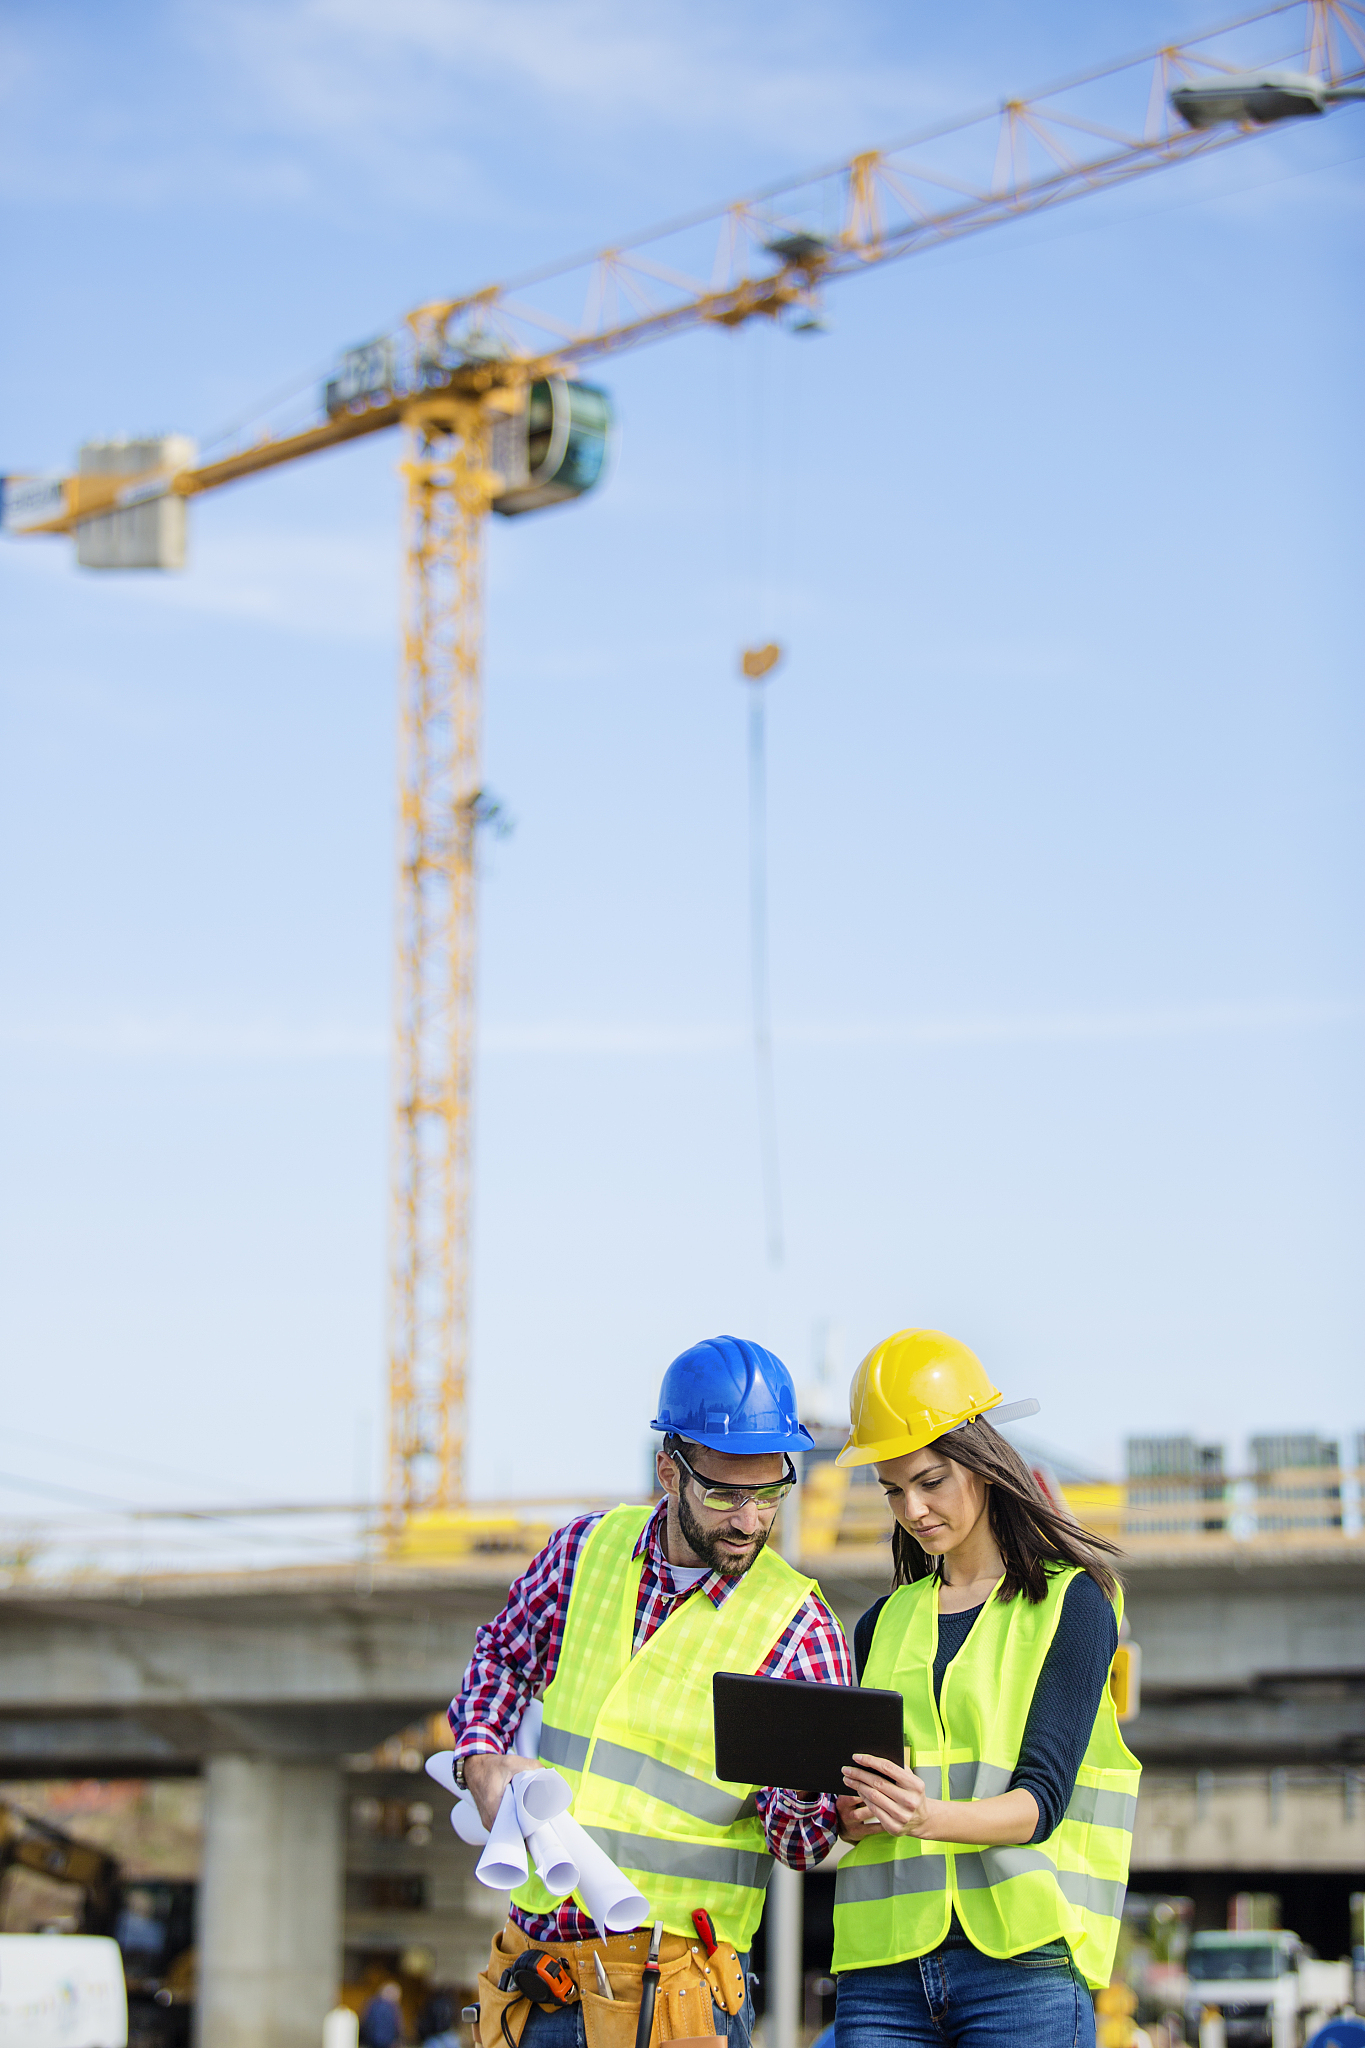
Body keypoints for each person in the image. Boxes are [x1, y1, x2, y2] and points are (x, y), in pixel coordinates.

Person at [449, 1335, 853, 2048]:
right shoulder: (584, 1552)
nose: (750, 1520)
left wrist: (831, 1802)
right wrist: (479, 1755)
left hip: (676, 1995)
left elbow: (797, 1842)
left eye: (769, 1494)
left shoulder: (799, 1628)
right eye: (725, 1493)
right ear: (669, 1471)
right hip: (536, 1973)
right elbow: (501, 1656)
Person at [830, 1329, 1140, 2048]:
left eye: (930, 1481)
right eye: (892, 1490)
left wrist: (922, 1816)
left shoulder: (1074, 1604)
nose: (912, 1509)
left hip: (1020, 1966)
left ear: (983, 1463)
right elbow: (861, 1800)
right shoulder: (883, 1622)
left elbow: (1041, 1802)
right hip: (881, 1971)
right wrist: (851, 1813)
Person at [359, 1983, 406, 2048]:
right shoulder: (393, 2008)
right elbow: (398, 2028)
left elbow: (364, 2022)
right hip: (386, 2043)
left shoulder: (371, 2004)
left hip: (370, 2041)